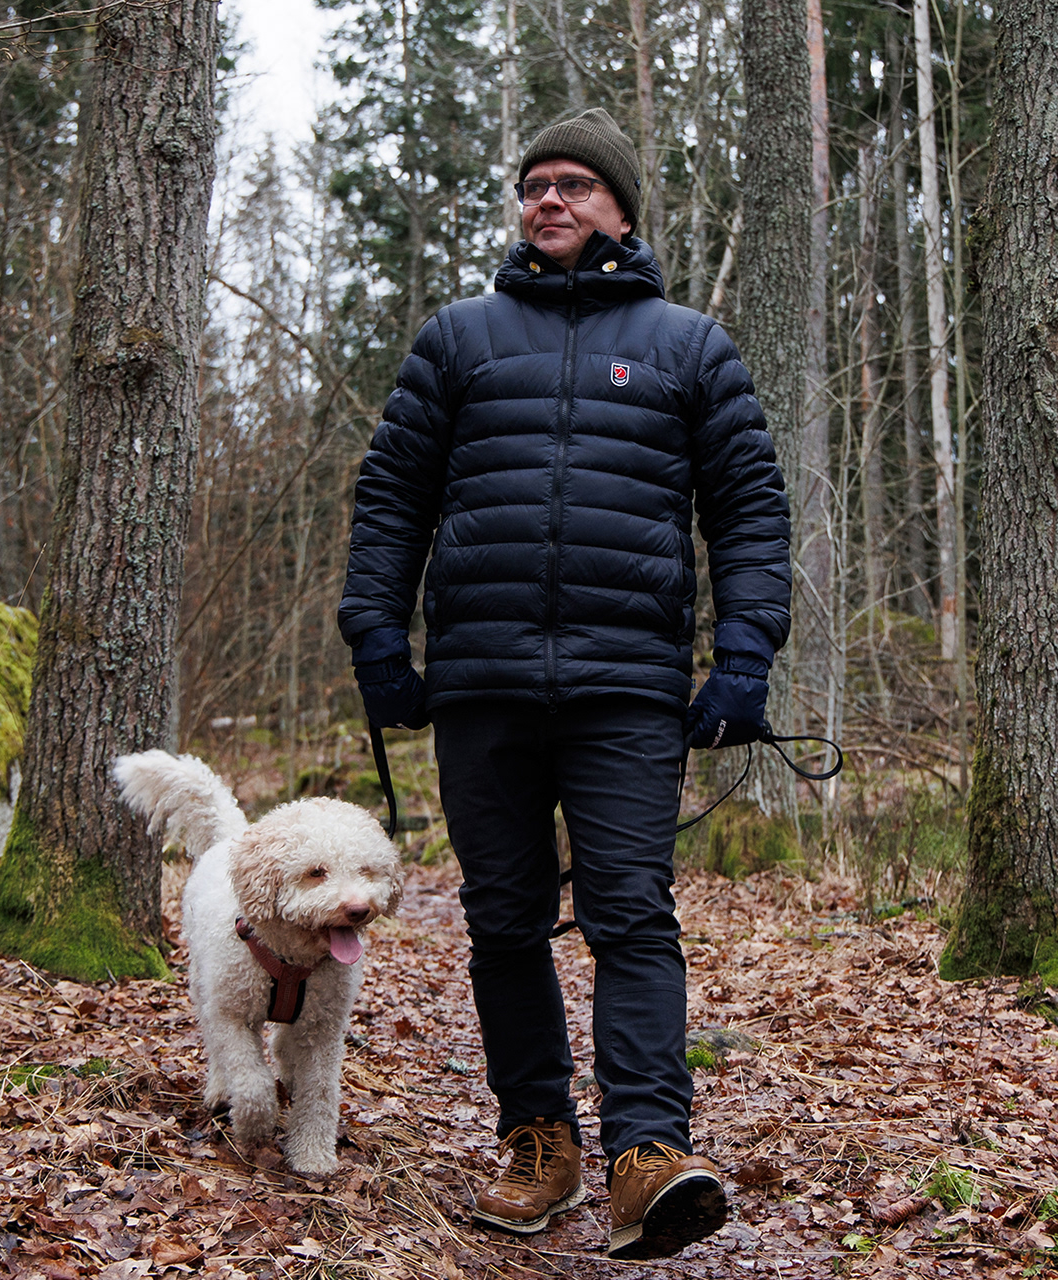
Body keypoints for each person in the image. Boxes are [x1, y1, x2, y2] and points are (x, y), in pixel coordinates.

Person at [338, 107, 791, 1260]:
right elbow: (392, 496)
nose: (549, 198)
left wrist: (744, 656)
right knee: (503, 918)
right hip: (481, 682)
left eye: (576, 184)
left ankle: (648, 1150)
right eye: (536, 183)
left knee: (631, 911)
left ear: (621, 210)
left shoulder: (690, 346)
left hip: (629, 687)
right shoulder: (459, 339)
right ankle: (537, 1137)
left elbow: (748, 511)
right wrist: (376, 636)